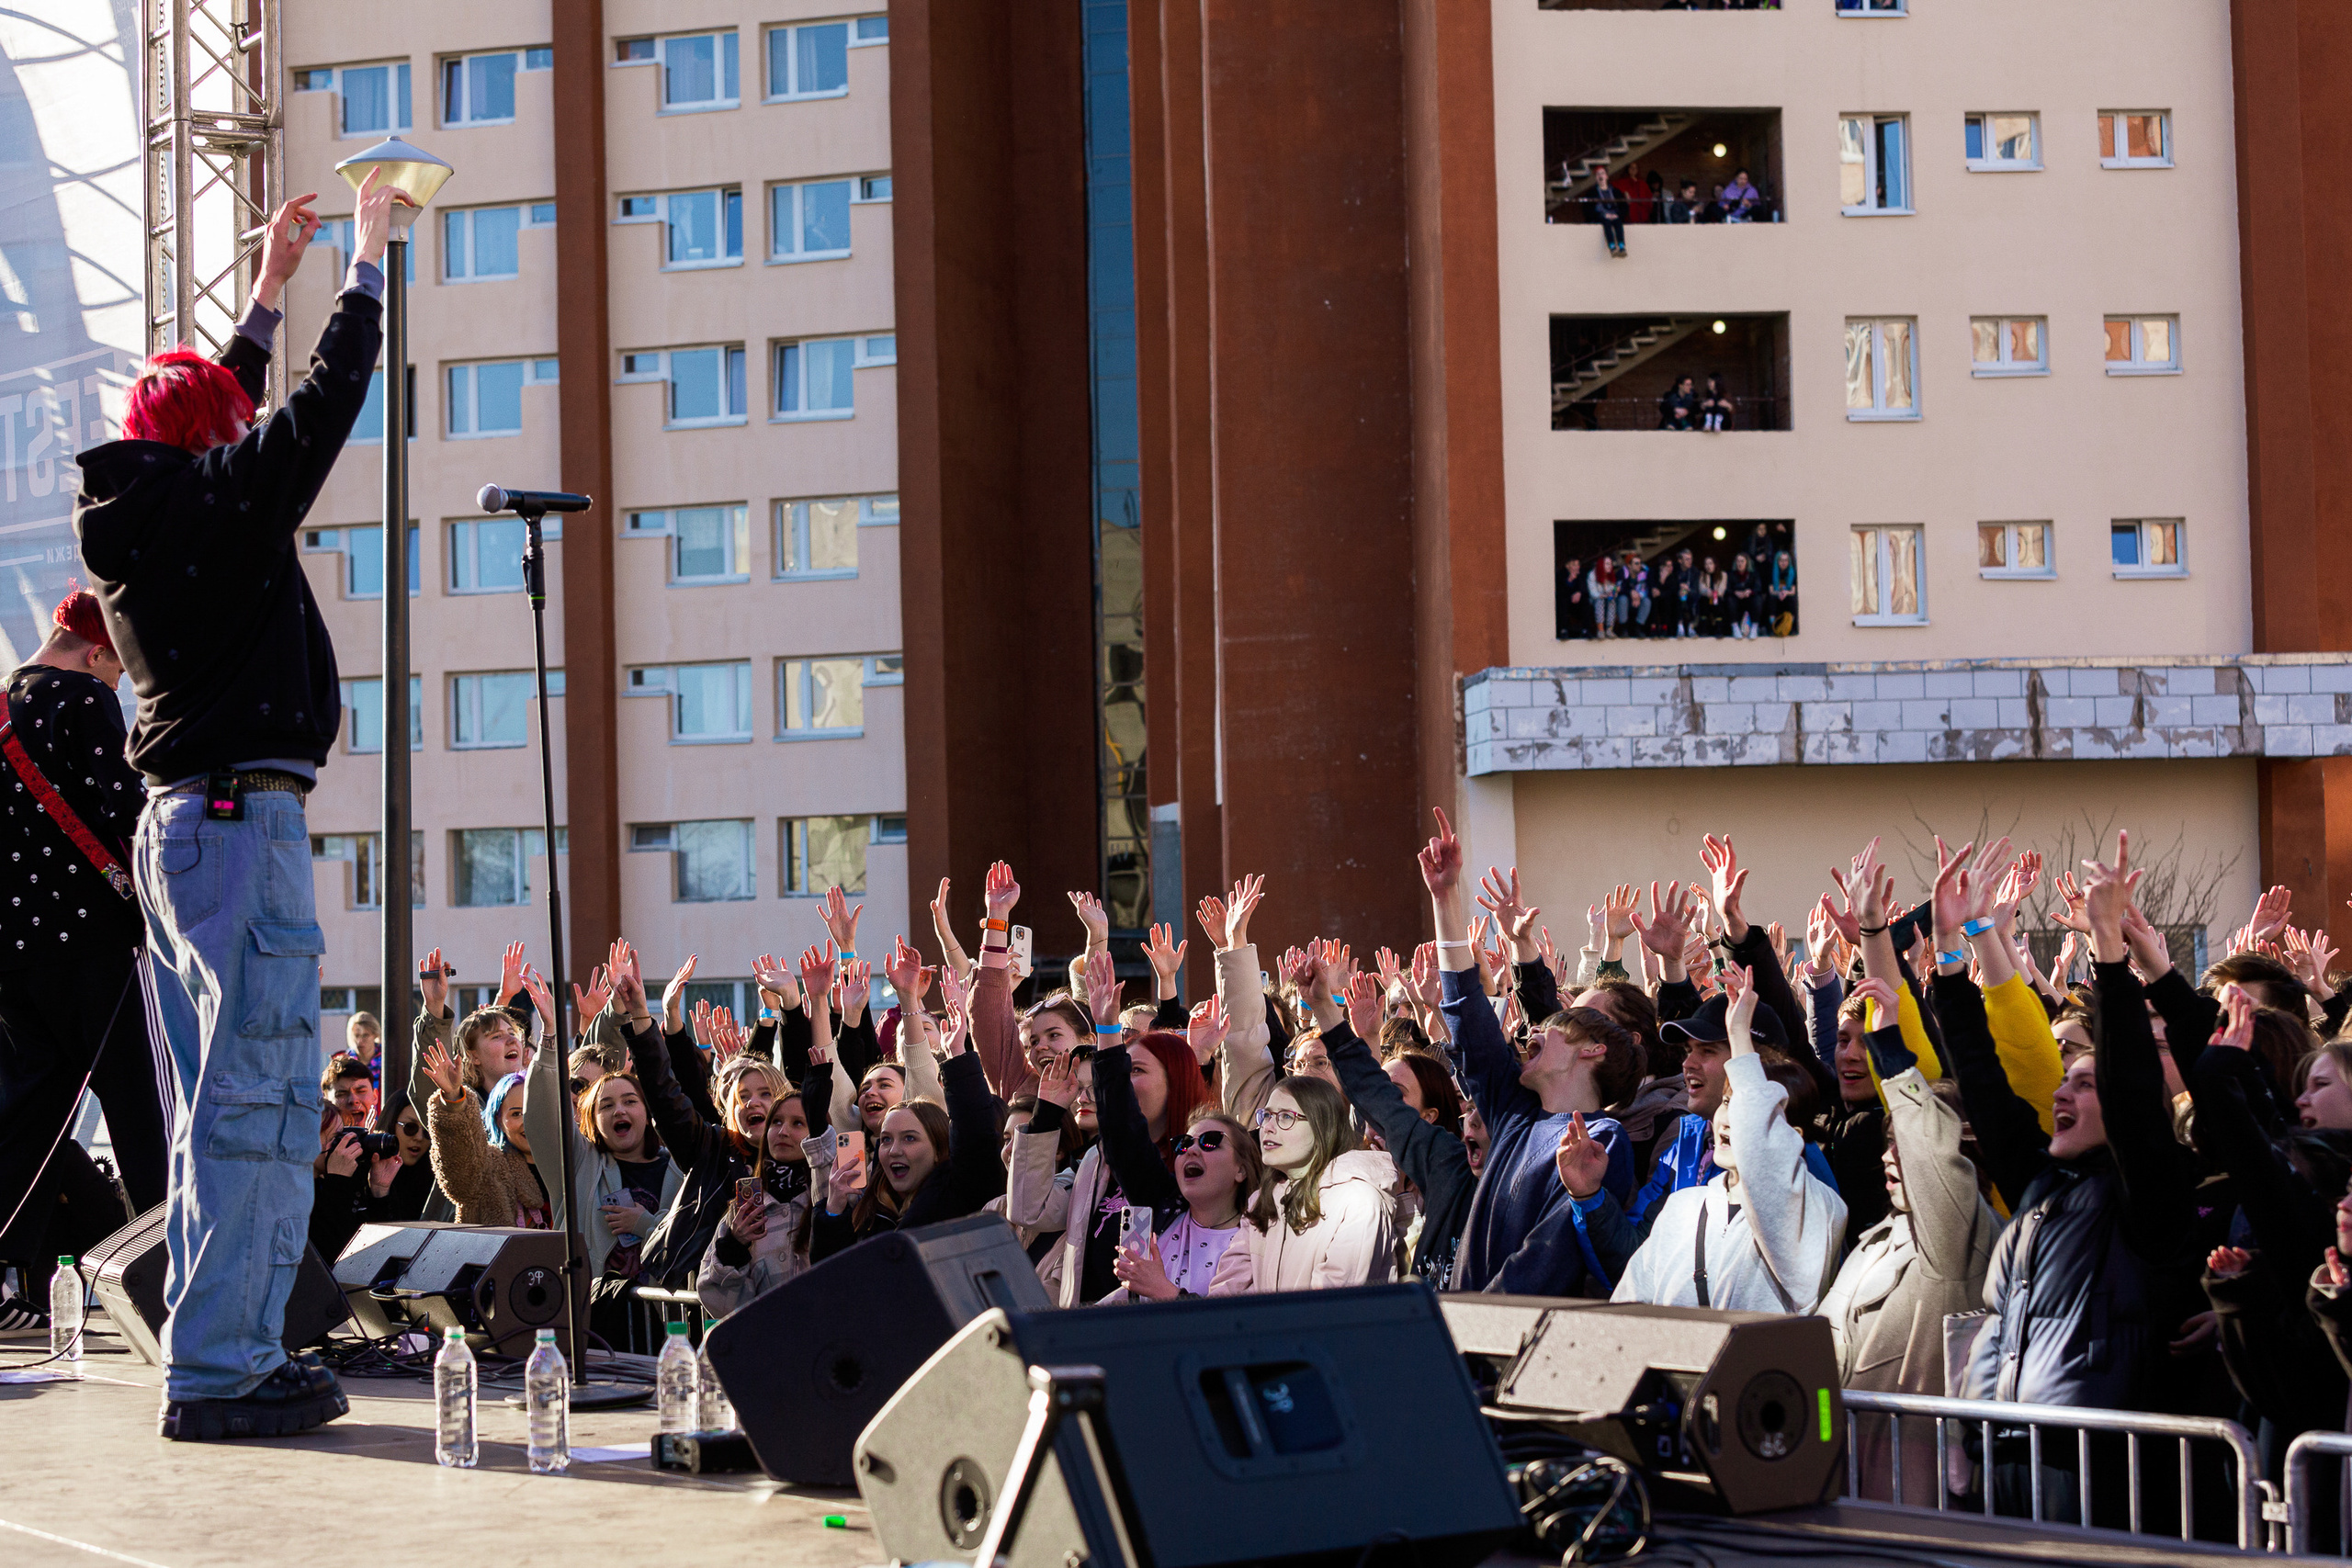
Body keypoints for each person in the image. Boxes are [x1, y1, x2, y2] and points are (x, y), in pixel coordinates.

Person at [74, 166, 403, 1440]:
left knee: (226, 1102)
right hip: (236, 823)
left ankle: (229, 1349)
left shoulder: (149, 512)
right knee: (259, 1100)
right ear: (209, 444)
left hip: (187, 832)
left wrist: (266, 291)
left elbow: (224, 409)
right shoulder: (211, 503)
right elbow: (311, 415)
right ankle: (224, 1365)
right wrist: (368, 264)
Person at [0, 591, 168, 1330]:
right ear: (98, 651)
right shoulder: (80, 701)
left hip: (11, 955)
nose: (118, 688)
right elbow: (126, 812)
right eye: (118, 674)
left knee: (27, 1117)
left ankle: (3, 1282)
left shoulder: (4, 702)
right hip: (91, 945)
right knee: (142, 1109)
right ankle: (177, 1277)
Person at [1603, 963, 1849, 1311]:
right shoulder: (1681, 1202)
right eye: (1688, 1050)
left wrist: (1740, 1038)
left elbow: (1766, 1164)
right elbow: (1629, 1305)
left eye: (1708, 1050)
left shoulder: (1816, 1200)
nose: (1687, 1063)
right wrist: (1589, 1200)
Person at [1204, 1076, 1397, 1293]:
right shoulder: (1261, 1200)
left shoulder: (1358, 1202)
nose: (1267, 1127)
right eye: (1266, 1115)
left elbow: (1330, 1308)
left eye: (1286, 1117)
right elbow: (1227, 1296)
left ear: (1322, 1126)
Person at [1109, 1110, 1264, 1300]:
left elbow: (1227, 1323)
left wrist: (1163, 1291)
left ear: (1241, 1170)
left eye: (1210, 1141)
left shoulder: (1256, 1243)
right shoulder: (1162, 1222)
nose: (1191, 1150)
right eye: (1183, 1144)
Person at [1590, 179, 1627, 257]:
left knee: (1619, 224)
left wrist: (1617, 214)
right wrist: (1604, 215)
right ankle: (1612, 247)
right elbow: (1595, 208)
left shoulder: (1614, 191)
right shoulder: (1594, 192)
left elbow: (1621, 205)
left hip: (1614, 214)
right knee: (1607, 225)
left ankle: (1622, 246)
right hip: (1603, 215)